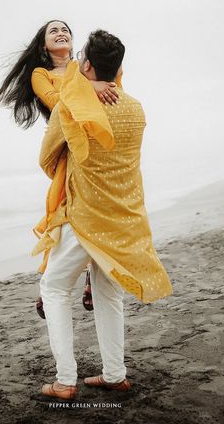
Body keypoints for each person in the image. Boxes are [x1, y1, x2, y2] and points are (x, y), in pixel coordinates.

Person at [33, 29, 173, 400]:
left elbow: (46, 157)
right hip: (124, 217)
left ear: (88, 65)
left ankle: (65, 381)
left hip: (85, 218)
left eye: (81, 57)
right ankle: (115, 375)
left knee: (54, 288)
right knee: (108, 293)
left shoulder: (73, 107)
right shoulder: (136, 108)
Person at [0, 20, 120, 316]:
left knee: (102, 210)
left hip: (97, 144)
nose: (61, 33)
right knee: (63, 213)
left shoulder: (86, 67)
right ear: (44, 45)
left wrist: (100, 82)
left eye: (66, 30)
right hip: (66, 148)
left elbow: (114, 87)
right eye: (54, 31)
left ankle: (92, 277)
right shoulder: (41, 74)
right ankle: (50, 283)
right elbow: (59, 102)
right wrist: (93, 86)